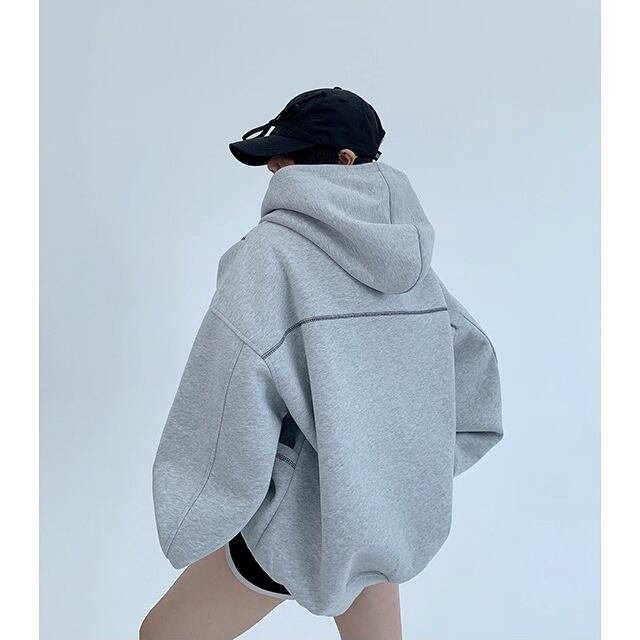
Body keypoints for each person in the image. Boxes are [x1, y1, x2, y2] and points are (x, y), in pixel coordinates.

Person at [139, 87, 503, 640]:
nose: (274, 168)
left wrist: (196, 510)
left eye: (287, 156)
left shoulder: (269, 255)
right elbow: (474, 366)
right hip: (380, 523)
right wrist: (399, 469)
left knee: (162, 636)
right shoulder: (410, 260)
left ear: (345, 161)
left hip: (301, 523)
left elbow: (227, 396)